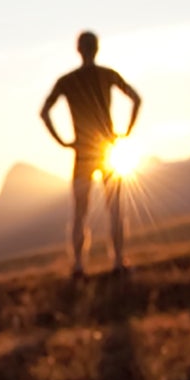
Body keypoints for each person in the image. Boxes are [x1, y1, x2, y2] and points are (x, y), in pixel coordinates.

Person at [39, 30, 142, 278]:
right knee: (115, 208)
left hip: (83, 151)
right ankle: (118, 262)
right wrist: (126, 132)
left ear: (79, 49)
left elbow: (44, 112)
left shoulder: (67, 81)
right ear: (96, 48)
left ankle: (78, 267)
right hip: (107, 149)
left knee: (80, 212)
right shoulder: (107, 75)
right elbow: (136, 99)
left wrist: (64, 142)